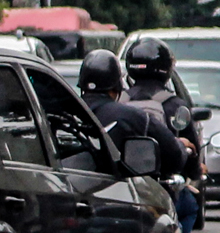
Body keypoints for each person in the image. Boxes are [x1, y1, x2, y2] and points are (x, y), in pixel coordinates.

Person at [81, 48, 190, 205]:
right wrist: (182, 146)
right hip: (119, 200)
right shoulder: (134, 116)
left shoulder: (62, 113)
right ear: (117, 85)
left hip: (67, 194)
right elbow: (174, 156)